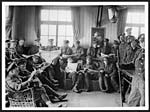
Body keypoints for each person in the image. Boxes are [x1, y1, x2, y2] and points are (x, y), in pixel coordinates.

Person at [120, 33, 145, 106]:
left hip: (144, 79)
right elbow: (132, 64)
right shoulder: (139, 51)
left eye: (143, 40)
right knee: (132, 100)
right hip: (136, 78)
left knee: (143, 101)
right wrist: (122, 66)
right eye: (141, 40)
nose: (141, 42)